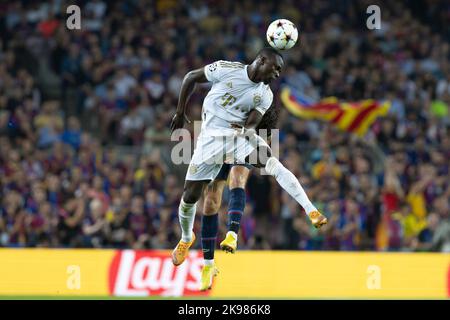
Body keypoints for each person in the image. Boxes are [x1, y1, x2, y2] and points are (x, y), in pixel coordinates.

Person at [170, 48, 328, 291]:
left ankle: (311, 210)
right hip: (209, 141)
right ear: (261, 61)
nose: (277, 74)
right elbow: (191, 77)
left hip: (238, 137)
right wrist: (180, 112)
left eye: (280, 71)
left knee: (269, 165)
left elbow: (253, 122)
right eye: (275, 68)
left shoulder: (264, 95)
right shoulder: (226, 69)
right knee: (192, 199)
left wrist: (248, 134)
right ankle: (186, 238)